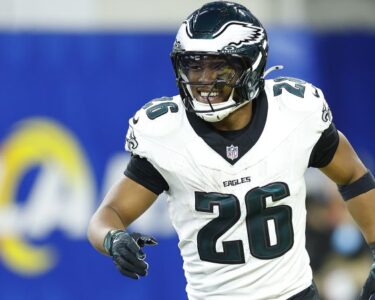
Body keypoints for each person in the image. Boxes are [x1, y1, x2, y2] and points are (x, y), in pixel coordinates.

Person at [87, 1, 375, 299]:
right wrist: (114, 239)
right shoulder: (166, 133)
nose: (203, 79)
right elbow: (108, 214)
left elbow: (353, 174)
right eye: (194, 65)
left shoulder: (295, 112)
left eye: (219, 66)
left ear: (250, 65)